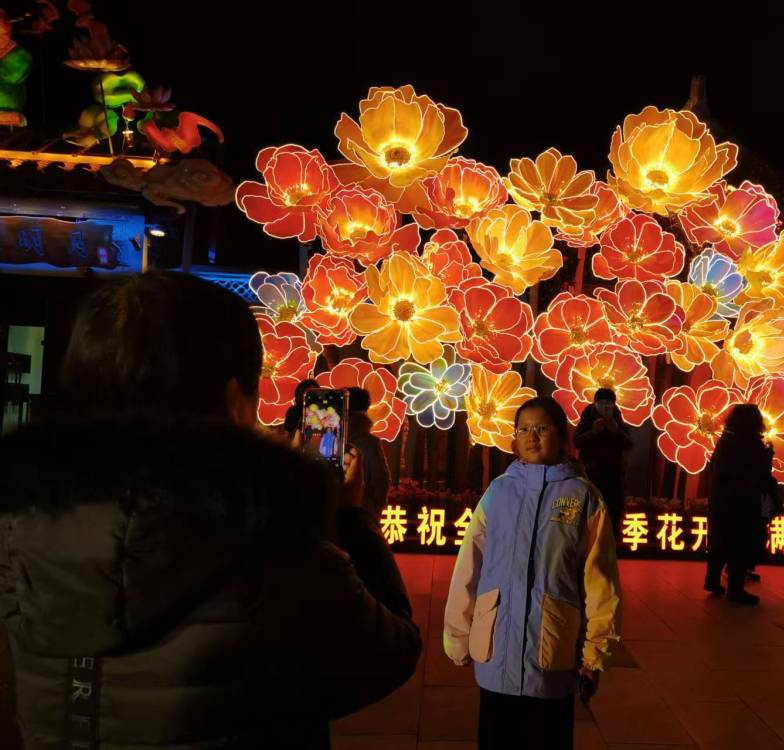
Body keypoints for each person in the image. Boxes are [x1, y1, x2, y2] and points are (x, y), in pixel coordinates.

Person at [0, 271, 421, 749]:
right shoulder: (272, 552)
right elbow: (388, 655)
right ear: (234, 399)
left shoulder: (19, 534)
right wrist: (350, 518)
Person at [443, 396, 622, 750]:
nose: (531, 436)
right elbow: (469, 564)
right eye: (523, 429)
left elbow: (601, 582)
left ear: (562, 437)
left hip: (552, 653)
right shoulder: (498, 492)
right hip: (496, 651)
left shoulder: (584, 497)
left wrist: (594, 653)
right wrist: (458, 634)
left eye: (541, 428)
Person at [704, 404, 776, 606]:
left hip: (722, 500)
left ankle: (712, 580)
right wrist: (767, 455)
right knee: (740, 545)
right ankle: (735, 589)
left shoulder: (726, 440)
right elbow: (757, 474)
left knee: (720, 541)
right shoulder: (751, 444)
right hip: (744, 502)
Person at [574, 388, 633, 541]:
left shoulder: (616, 418)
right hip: (591, 476)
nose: (606, 407)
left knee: (612, 513)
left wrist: (616, 430)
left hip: (613, 477)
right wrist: (593, 432)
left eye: (609, 403)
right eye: (602, 403)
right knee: (590, 512)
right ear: (595, 404)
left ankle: (611, 543)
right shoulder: (588, 417)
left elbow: (629, 444)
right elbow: (577, 442)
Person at [347, 386, 391, 517]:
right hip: (361, 514)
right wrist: (374, 509)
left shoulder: (326, 441)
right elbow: (380, 481)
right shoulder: (370, 443)